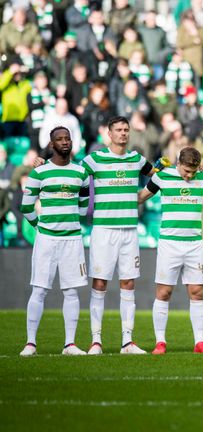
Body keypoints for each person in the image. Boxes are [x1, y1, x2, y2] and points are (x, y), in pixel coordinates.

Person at [80, 117, 155, 355]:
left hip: (129, 231)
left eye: (126, 130)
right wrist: (43, 163)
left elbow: (158, 176)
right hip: (103, 231)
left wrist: (142, 196)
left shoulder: (136, 159)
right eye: (118, 130)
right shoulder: (96, 159)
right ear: (109, 134)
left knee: (128, 283)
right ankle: (96, 341)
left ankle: (127, 342)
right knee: (99, 283)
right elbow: (73, 174)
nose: (123, 134)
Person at [137, 147, 203, 355]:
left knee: (197, 292)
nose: (189, 176)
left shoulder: (202, 179)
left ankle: (199, 343)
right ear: (177, 164)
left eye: (192, 172)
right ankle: (160, 342)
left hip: (193, 244)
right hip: (169, 244)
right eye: (185, 171)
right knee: (164, 292)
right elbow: (140, 197)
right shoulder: (162, 177)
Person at [19, 127, 89, 356]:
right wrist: (40, 227)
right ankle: (30, 343)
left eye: (67, 138)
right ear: (51, 145)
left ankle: (69, 344)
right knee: (39, 290)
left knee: (71, 291)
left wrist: (69, 222)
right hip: (46, 239)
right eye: (59, 139)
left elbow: (83, 206)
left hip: (72, 239)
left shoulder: (81, 173)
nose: (65, 142)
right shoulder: (39, 173)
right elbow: (26, 206)